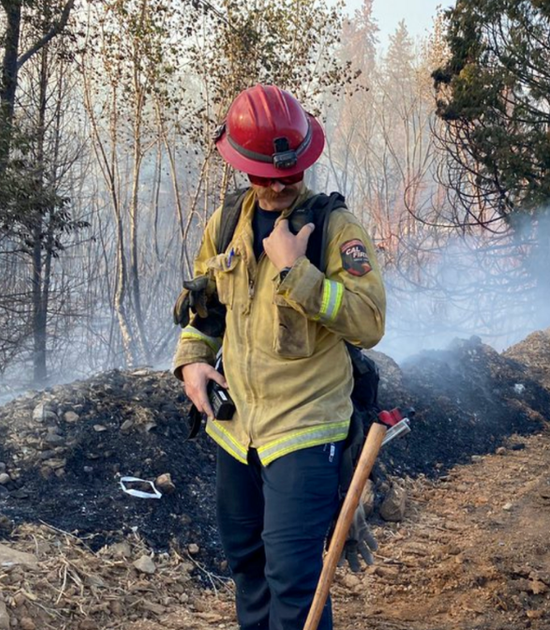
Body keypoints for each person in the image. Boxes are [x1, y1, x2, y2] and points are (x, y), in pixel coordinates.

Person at [172, 84, 386, 630]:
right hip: (235, 428)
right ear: (243, 166)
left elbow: (370, 321)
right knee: (249, 568)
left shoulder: (335, 229)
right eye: (264, 173)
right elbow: (206, 309)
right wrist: (192, 360)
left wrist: (299, 273)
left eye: (289, 172)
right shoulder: (226, 225)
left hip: (305, 428)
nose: (278, 183)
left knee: (293, 579)